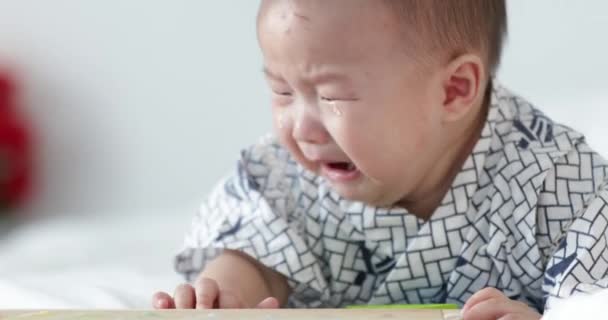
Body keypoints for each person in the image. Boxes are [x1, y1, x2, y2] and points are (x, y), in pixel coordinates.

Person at [153, 1, 608, 319]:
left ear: (454, 90)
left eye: (332, 96)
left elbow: (594, 301)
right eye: (283, 92)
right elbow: (256, 254)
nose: (301, 129)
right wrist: (223, 297)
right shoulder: (281, 178)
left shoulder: (560, 185)